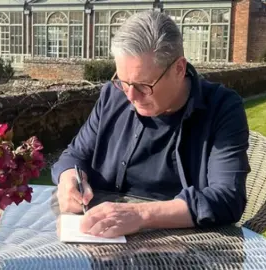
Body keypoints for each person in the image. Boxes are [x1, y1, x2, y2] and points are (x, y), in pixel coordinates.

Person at [51, 10, 251, 238]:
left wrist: (140, 215)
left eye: (144, 85)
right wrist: (68, 178)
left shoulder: (222, 107)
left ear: (179, 68)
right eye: (123, 82)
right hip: (101, 239)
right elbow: (75, 155)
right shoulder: (112, 96)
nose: (131, 97)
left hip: (183, 246)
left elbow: (228, 198)